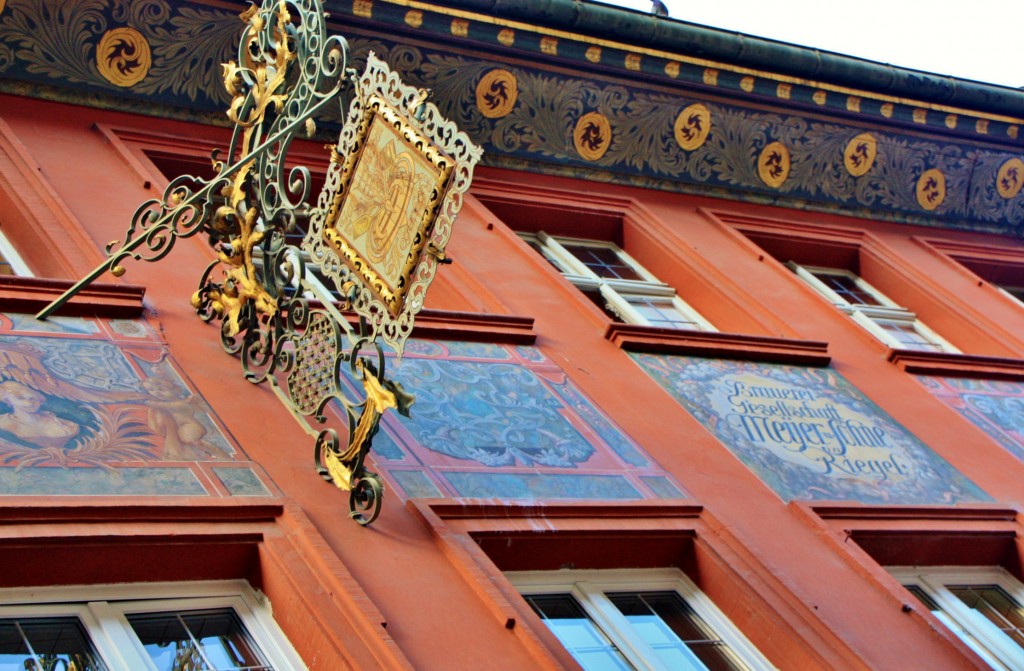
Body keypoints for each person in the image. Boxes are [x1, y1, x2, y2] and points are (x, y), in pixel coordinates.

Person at [0, 380, 80, 449]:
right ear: (8, 401)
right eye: (20, 398)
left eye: (33, 399)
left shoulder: (66, 424)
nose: (29, 404)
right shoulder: (3, 423)